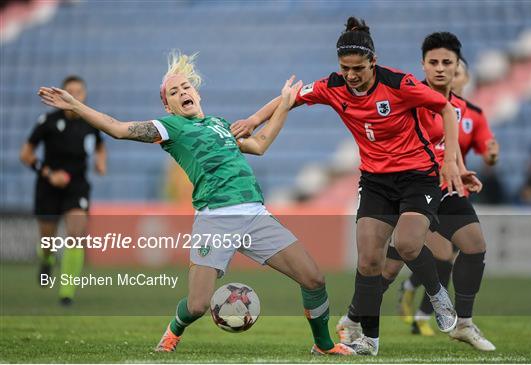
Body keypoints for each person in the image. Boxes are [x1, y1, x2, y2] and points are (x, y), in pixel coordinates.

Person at [37, 50, 355, 356]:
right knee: (198, 305)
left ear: (197, 93)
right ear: (169, 106)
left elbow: (259, 145)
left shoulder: (219, 124)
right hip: (214, 220)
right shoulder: (171, 127)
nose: (182, 92)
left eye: (186, 87)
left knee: (314, 278)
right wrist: (75, 105)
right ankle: (174, 330)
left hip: (255, 215)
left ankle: (324, 344)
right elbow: (118, 129)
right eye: (174, 92)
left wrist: (284, 103)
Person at [232, 17, 470, 356]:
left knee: (405, 243)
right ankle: (369, 341)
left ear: (373, 61)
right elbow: (290, 98)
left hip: (418, 175)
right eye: (346, 68)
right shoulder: (334, 86)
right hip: (375, 180)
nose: (352, 75)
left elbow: (446, 108)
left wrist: (450, 161)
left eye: (358, 68)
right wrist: (255, 121)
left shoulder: (399, 84)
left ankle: (437, 294)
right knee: (368, 262)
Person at [381, 32, 496, 351]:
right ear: (424, 65)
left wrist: (460, 170)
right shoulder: (412, 98)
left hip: (446, 190)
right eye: (435, 63)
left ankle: (464, 324)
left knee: (473, 246)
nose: (442, 69)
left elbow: (451, 145)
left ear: (458, 67)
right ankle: (357, 319)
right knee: (385, 271)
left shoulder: (459, 108)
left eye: (449, 63)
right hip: (415, 191)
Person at [20, 75, 107, 305]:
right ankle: (47, 260)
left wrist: (100, 162)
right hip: (48, 186)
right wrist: (49, 174)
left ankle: (67, 291)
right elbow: (26, 154)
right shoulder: (48, 121)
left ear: (84, 94)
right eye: (70, 91)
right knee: (47, 240)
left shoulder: (90, 122)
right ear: (62, 94)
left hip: (77, 186)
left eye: (79, 91)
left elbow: (100, 145)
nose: (75, 95)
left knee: (76, 234)